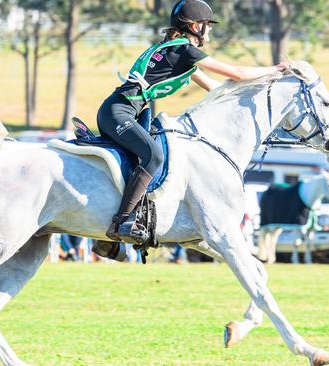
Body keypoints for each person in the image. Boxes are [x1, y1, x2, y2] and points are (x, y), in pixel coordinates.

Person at [97, 0, 289, 252]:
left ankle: (105, 240)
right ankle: (121, 224)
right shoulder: (185, 51)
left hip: (122, 110)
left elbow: (216, 90)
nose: (209, 31)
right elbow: (237, 73)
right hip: (119, 111)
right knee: (154, 155)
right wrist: (275, 70)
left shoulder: (176, 53)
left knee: (142, 160)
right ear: (194, 26)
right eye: (207, 26)